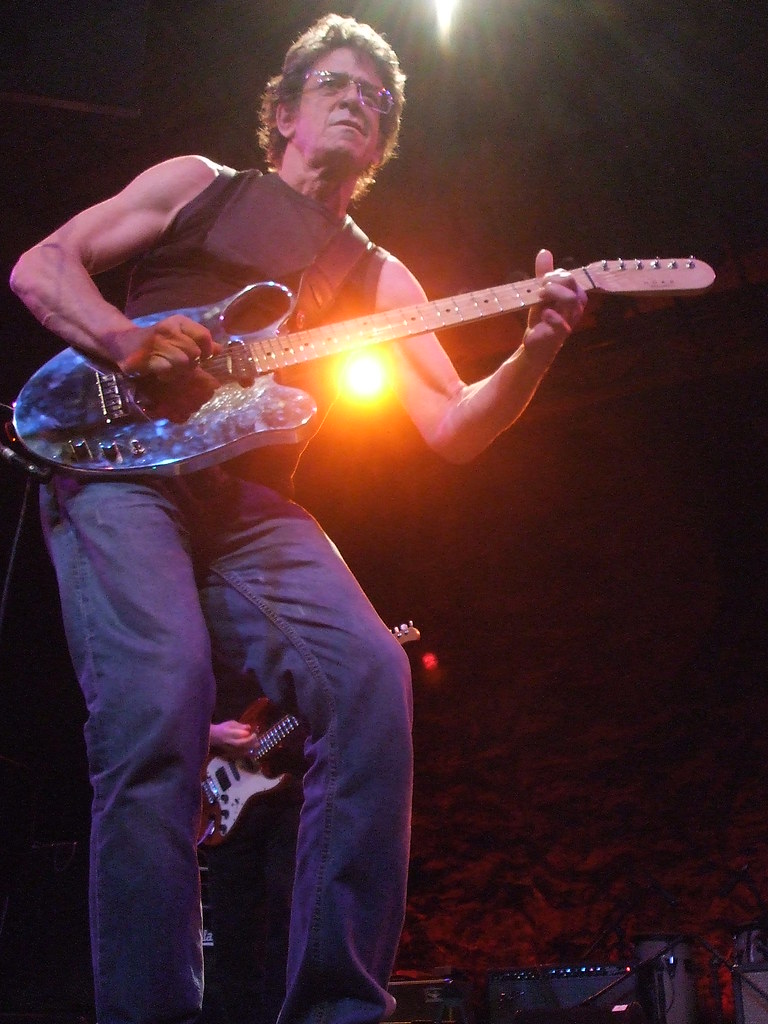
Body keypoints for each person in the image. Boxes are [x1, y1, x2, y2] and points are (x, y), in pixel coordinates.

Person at [9, 13, 588, 1024]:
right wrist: (122, 340)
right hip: (116, 471)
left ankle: (337, 1009)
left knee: (370, 676)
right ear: (282, 110)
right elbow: (42, 266)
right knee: (163, 698)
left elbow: (452, 426)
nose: (360, 96)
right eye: (337, 81)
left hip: (244, 503)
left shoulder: (379, 278)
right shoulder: (199, 182)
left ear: (383, 144)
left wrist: (534, 349)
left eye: (380, 97)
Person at [201, 713, 303, 1024]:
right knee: (234, 933)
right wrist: (211, 732)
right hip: (227, 808)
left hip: (291, 797)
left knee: (291, 920)